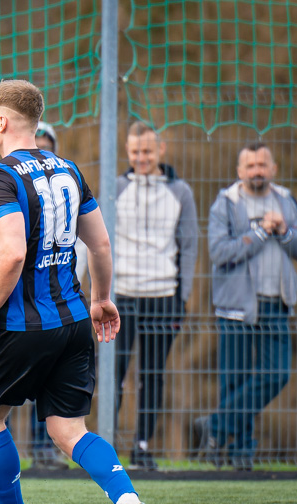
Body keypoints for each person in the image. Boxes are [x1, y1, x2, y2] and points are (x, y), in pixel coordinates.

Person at [0, 79, 152, 504]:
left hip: (24, 326)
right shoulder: (68, 169)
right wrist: (101, 298)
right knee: (68, 428)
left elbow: (10, 254)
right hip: (73, 323)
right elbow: (101, 243)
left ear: (4, 120)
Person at [195, 142, 297, 471]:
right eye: (250, 166)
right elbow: (220, 252)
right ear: (240, 171)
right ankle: (240, 455)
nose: (257, 171)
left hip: (277, 304)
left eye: (262, 165)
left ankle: (215, 428)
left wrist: (285, 231)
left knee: (277, 374)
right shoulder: (227, 203)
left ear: (273, 168)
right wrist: (261, 232)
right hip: (235, 307)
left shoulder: (285, 201)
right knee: (233, 381)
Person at [113, 121, 199, 470]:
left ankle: (143, 446)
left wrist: (183, 296)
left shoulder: (181, 192)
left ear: (160, 150)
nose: (141, 158)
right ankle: (106, 445)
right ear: (127, 152)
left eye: (147, 151)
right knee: (114, 372)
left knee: (152, 374)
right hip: (122, 295)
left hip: (163, 295)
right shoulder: (115, 188)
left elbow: (189, 246)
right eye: (135, 152)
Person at [26, 121, 70, 470]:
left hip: (60, 305)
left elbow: (88, 248)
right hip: (28, 306)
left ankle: (47, 447)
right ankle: (37, 447)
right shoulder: (18, 191)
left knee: (52, 385)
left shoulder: (66, 187)